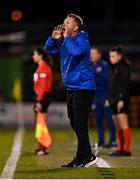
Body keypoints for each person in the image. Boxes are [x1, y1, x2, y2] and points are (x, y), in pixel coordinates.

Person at [44, 13, 98, 167]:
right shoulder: (65, 40)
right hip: (72, 88)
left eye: (67, 22)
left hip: (84, 87)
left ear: (75, 27)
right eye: (64, 21)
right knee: (74, 123)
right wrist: (53, 38)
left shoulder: (82, 39)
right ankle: (84, 155)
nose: (64, 24)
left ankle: (85, 157)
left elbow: (76, 52)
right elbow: (48, 50)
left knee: (80, 124)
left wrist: (65, 38)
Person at [106, 46, 131, 156]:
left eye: (113, 56)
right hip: (113, 100)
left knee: (123, 124)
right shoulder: (113, 68)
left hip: (121, 100)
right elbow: (112, 86)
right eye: (110, 56)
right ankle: (120, 148)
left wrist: (121, 99)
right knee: (118, 125)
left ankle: (126, 150)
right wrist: (108, 98)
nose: (111, 58)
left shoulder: (124, 67)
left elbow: (125, 85)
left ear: (120, 56)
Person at [90, 47, 116, 149]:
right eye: (90, 53)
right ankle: (101, 141)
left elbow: (105, 80)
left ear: (99, 55)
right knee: (98, 120)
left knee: (109, 119)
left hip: (105, 96)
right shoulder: (90, 66)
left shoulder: (104, 65)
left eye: (93, 53)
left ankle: (113, 140)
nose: (91, 55)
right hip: (95, 97)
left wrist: (91, 77)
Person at [32, 48, 52, 155]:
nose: (33, 56)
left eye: (34, 54)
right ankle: (42, 147)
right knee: (39, 123)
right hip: (40, 96)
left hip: (42, 97)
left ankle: (43, 148)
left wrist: (39, 101)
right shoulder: (41, 67)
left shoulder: (44, 67)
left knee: (41, 123)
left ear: (40, 56)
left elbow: (43, 86)